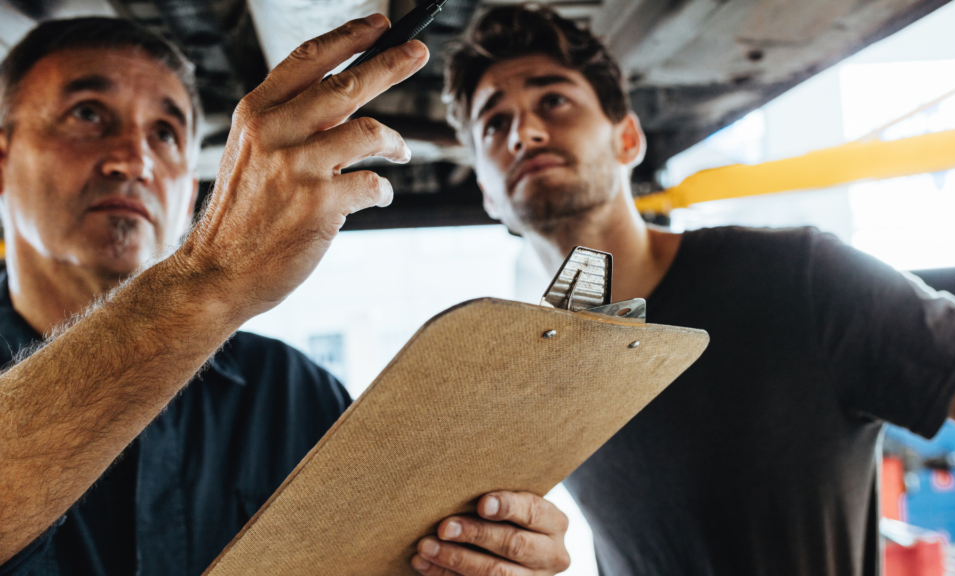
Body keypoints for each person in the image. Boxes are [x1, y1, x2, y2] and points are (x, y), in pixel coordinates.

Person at [444, 5, 955, 575]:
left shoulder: (801, 279)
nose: (526, 132)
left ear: (627, 139)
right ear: (489, 197)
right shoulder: (539, 369)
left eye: (554, 100)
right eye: (495, 123)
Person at [0, 15, 571, 576]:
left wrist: (476, 553)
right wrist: (212, 274)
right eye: (88, 114)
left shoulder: (297, 394)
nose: (134, 161)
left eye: (166, 134)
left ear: (192, 187)